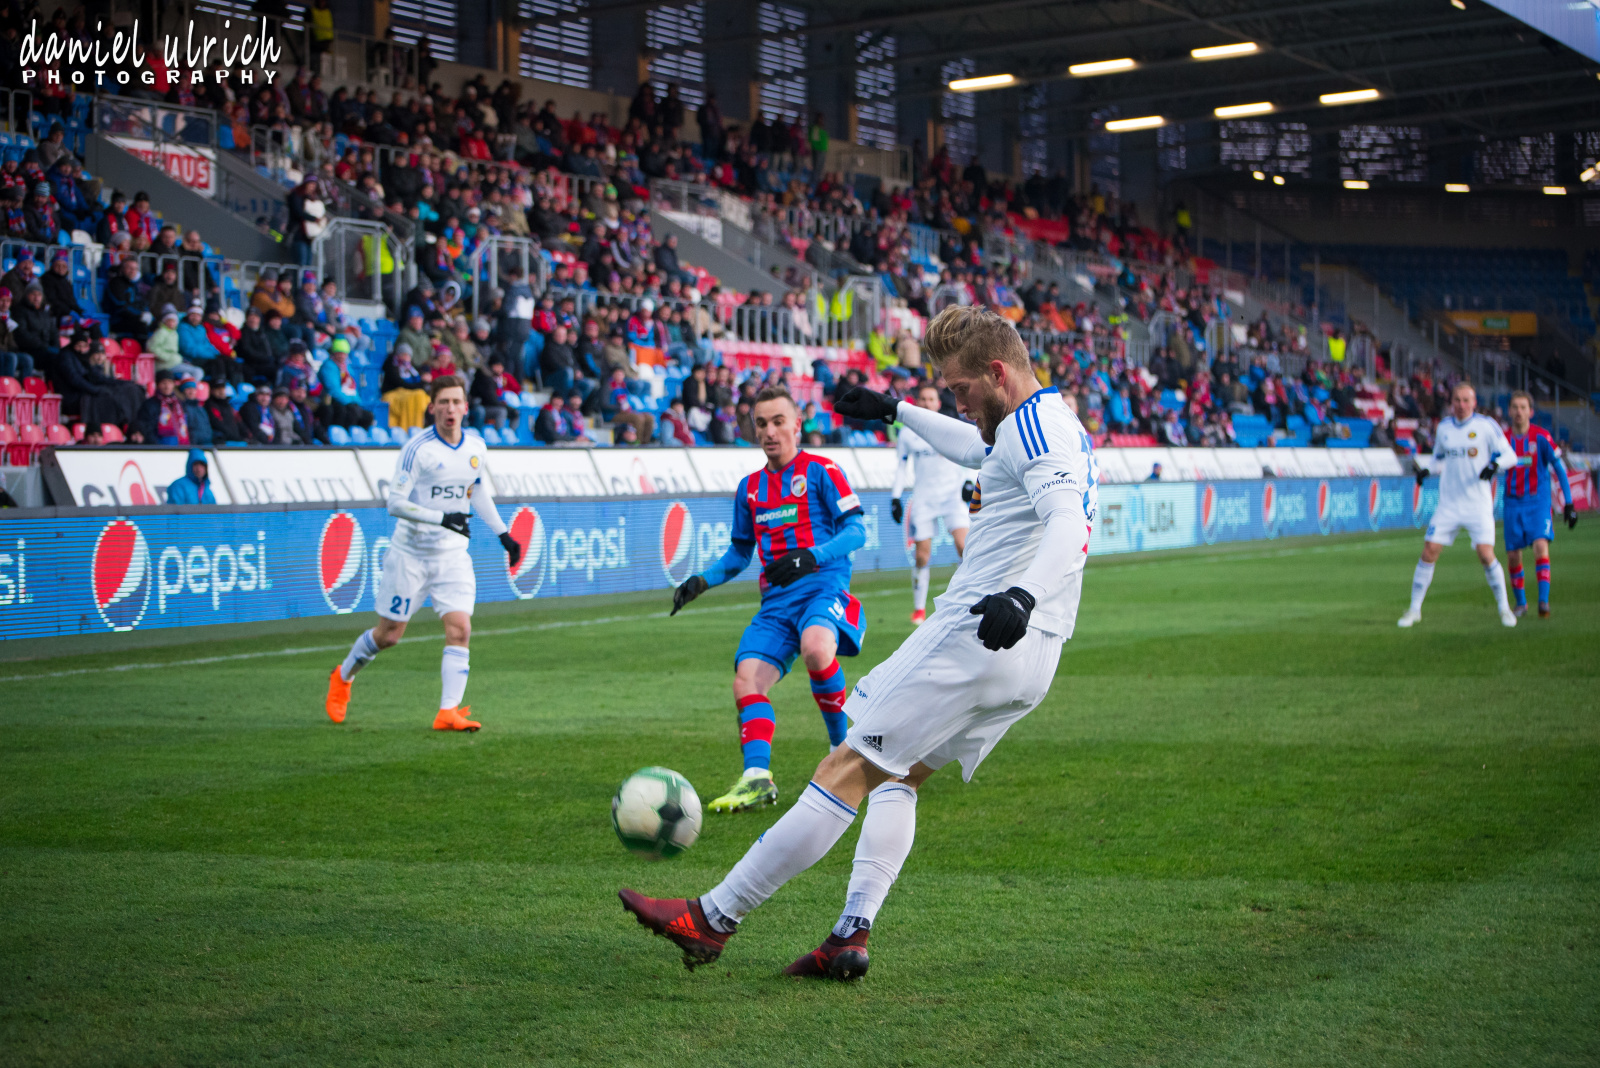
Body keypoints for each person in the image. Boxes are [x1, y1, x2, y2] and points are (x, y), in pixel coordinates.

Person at [620, 305, 1097, 980]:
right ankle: (850, 932)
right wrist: (897, 410)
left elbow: (1068, 523)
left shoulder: (1035, 429)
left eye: (961, 389)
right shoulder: (1047, 421)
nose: (959, 403)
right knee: (897, 776)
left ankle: (713, 918)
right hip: (1034, 657)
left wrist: (1022, 594)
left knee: (844, 766)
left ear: (997, 372)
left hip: (980, 631)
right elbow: (977, 449)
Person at [665, 386, 869, 814]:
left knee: (817, 648)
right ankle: (757, 778)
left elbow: (856, 531)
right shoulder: (750, 488)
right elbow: (740, 553)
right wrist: (701, 581)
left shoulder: (822, 470)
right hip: (776, 603)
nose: (770, 431)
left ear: (797, 425)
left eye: (778, 422)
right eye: (761, 424)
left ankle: (842, 751)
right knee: (746, 680)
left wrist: (811, 556)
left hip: (823, 586)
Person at [325, 376, 522, 732]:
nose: (450, 409)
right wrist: (442, 518)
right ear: (432, 408)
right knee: (389, 636)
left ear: (466, 407)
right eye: (443, 402)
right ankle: (343, 677)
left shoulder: (476, 447)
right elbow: (395, 503)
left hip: (453, 556)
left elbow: (476, 490)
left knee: (460, 628)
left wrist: (503, 534)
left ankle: (448, 712)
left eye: (456, 402)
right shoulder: (418, 449)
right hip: (411, 556)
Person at [1399, 382, 1518, 629]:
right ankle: (1414, 609)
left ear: (1474, 402)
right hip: (1449, 504)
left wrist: (1494, 465)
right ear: (1451, 402)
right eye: (1457, 400)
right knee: (1429, 550)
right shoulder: (1444, 428)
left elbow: (1510, 456)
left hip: (1477, 504)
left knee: (1485, 554)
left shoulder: (1486, 426)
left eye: (1466, 400)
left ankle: (1504, 608)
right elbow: (1438, 459)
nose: (1461, 405)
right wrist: (1426, 470)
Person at [890, 382, 971, 624]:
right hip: (924, 499)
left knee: (965, 547)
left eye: (931, 399)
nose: (927, 403)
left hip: (952, 496)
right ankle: (919, 609)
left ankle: (965, 600)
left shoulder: (949, 427)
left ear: (938, 403)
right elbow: (901, 466)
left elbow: (967, 455)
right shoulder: (907, 433)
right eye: (923, 399)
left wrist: (968, 482)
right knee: (922, 556)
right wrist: (895, 497)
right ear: (917, 402)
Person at [1503, 391, 1576, 618]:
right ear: (1509, 411)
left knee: (1540, 546)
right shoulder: (1502, 439)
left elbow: (1559, 469)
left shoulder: (1541, 437)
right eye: (1515, 407)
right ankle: (1521, 604)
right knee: (1513, 555)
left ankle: (1543, 602)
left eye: (1523, 407)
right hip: (1512, 503)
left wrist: (1569, 504)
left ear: (1531, 412)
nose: (1518, 411)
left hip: (1538, 502)